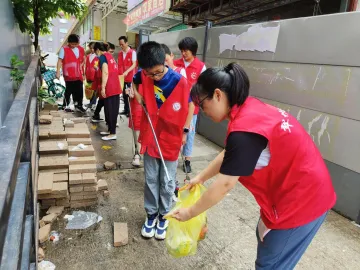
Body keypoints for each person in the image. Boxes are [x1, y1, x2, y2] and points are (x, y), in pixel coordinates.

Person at [169, 63, 337, 269]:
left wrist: (190, 213)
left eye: (203, 104)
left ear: (218, 95)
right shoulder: (248, 109)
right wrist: (201, 177)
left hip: (303, 201)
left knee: (270, 264)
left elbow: (225, 185)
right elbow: (231, 153)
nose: (202, 111)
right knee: (266, 246)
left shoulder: (244, 131)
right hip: (293, 189)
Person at [131, 41, 191, 240]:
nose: (154, 77)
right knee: (150, 179)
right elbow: (133, 80)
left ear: (164, 62)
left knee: (166, 181)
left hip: (170, 138)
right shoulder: (144, 74)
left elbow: (189, 107)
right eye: (150, 74)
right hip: (151, 135)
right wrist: (138, 96)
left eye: (157, 72)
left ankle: (164, 216)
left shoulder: (178, 81)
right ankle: (151, 215)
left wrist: (185, 131)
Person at [161, 43, 195, 197]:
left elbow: (188, 103)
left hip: (178, 121)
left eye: (166, 59)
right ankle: (168, 183)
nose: (164, 64)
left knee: (174, 155)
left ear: (172, 56)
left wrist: (185, 130)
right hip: (165, 122)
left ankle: (172, 185)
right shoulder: (159, 75)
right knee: (167, 155)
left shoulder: (180, 73)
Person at [174, 37, 206, 173]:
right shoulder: (176, 63)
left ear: (193, 51)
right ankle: (173, 157)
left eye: (186, 51)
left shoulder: (200, 66)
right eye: (181, 51)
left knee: (189, 134)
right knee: (175, 132)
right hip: (176, 107)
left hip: (192, 107)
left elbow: (203, 87)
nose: (183, 54)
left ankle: (187, 160)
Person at [93, 42, 122, 141]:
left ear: (97, 50)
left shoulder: (102, 57)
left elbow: (105, 71)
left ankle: (113, 133)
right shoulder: (109, 56)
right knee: (108, 109)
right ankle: (110, 130)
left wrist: (103, 87)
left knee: (111, 110)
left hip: (110, 86)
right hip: (115, 86)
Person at [57, 34, 86, 113]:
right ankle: (66, 105)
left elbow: (84, 59)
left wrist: (83, 72)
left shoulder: (81, 49)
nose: (74, 45)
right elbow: (60, 61)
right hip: (68, 75)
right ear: (68, 42)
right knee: (69, 90)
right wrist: (58, 72)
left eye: (75, 44)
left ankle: (79, 105)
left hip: (78, 74)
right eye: (72, 44)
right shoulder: (64, 49)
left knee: (79, 91)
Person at [118, 36, 137, 117]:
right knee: (124, 94)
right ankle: (126, 110)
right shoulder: (120, 53)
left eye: (122, 44)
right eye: (120, 45)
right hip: (122, 78)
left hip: (130, 77)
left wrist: (127, 72)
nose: (121, 46)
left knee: (130, 94)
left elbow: (134, 64)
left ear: (127, 43)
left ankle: (131, 111)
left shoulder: (132, 52)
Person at [85, 42, 99, 110]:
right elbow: (87, 66)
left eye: (93, 48)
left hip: (95, 76)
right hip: (89, 76)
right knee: (90, 90)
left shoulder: (98, 56)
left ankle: (93, 103)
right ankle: (91, 103)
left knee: (95, 91)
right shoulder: (88, 56)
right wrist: (85, 74)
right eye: (90, 48)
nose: (92, 50)